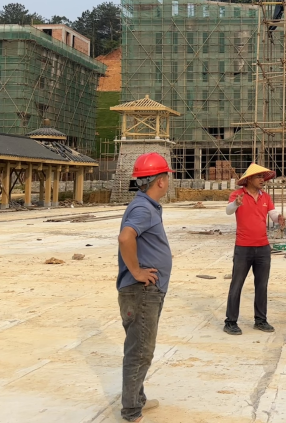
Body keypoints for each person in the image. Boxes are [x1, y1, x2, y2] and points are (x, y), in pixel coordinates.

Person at [116, 152, 174, 422]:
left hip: (147, 291)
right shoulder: (143, 209)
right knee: (140, 351)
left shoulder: (146, 205)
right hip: (142, 292)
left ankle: (137, 399)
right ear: (160, 181)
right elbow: (125, 238)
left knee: (139, 347)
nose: (168, 181)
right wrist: (137, 271)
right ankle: (131, 411)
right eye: (167, 177)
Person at [223, 163, 285, 335]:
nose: (262, 180)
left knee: (262, 285)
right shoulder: (238, 195)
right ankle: (230, 322)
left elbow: (272, 213)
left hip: (263, 248)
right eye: (259, 177)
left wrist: (278, 218)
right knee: (237, 284)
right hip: (243, 248)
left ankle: (261, 320)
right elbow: (228, 211)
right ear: (249, 179)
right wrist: (236, 204)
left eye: (263, 177)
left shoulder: (265, 197)